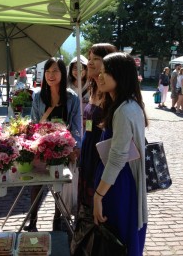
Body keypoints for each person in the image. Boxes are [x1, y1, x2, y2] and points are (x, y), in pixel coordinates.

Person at [93, 52, 148, 256]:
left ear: (121, 75)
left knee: (116, 242)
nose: (100, 75)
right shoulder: (125, 104)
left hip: (117, 186)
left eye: (105, 72)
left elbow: (117, 159)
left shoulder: (125, 110)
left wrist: (98, 197)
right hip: (117, 183)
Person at [24, 58, 81, 232]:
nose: (51, 75)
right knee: (36, 184)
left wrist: (74, 146)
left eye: (55, 71)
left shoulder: (72, 98)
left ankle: (58, 220)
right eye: (48, 71)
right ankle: (32, 220)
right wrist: (36, 137)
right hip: (41, 146)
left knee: (59, 185)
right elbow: (34, 122)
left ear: (63, 74)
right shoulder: (38, 96)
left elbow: (77, 125)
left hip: (62, 147)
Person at [78, 43, 117, 210]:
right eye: (89, 58)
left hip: (101, 157)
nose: (90, 63)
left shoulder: (112, 92)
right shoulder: (93, 88)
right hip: (87, 150)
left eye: (96, 59)